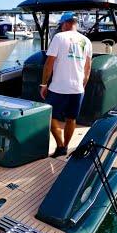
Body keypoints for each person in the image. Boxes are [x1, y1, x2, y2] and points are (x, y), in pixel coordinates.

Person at [39, 12, 92, 158]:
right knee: (71, 119)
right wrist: (83, 86)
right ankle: (65, 146)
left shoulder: (59, 37)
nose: (61, 28)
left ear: (66, 23)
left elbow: (49, 63)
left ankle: (60, 146)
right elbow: (88, 68)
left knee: (50, 117)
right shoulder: (86, 41)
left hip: (58, 88)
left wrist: (43, 84)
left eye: (61, 25)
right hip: (77, 89)